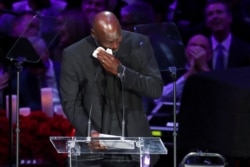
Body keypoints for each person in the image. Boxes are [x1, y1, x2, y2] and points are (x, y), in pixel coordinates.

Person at [60, 11, 163, 167]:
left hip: (133, 149)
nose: (115, 45)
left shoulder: (139, 44)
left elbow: (155, 89)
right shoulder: (73, 55)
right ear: (94, 34)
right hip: (92, 152)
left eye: (118, 38)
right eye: (110, 41)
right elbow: (71, 103)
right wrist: (90, 133)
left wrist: (121, 71)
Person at [155, 34, 212, 103]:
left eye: (202, 47)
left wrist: (204, 70)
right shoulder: (171, 72)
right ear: (186, 51)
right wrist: (189, 74)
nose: (197, 49)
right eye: (193, 45)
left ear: (209, 55)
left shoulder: (216, 74)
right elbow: (159, 97)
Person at [204, 0, 250, 70]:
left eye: (219, 12)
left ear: (230, 18)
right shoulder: (202, 49)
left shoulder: (246, 50)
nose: (215, 16)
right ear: (207, 22)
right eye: (210, 14)